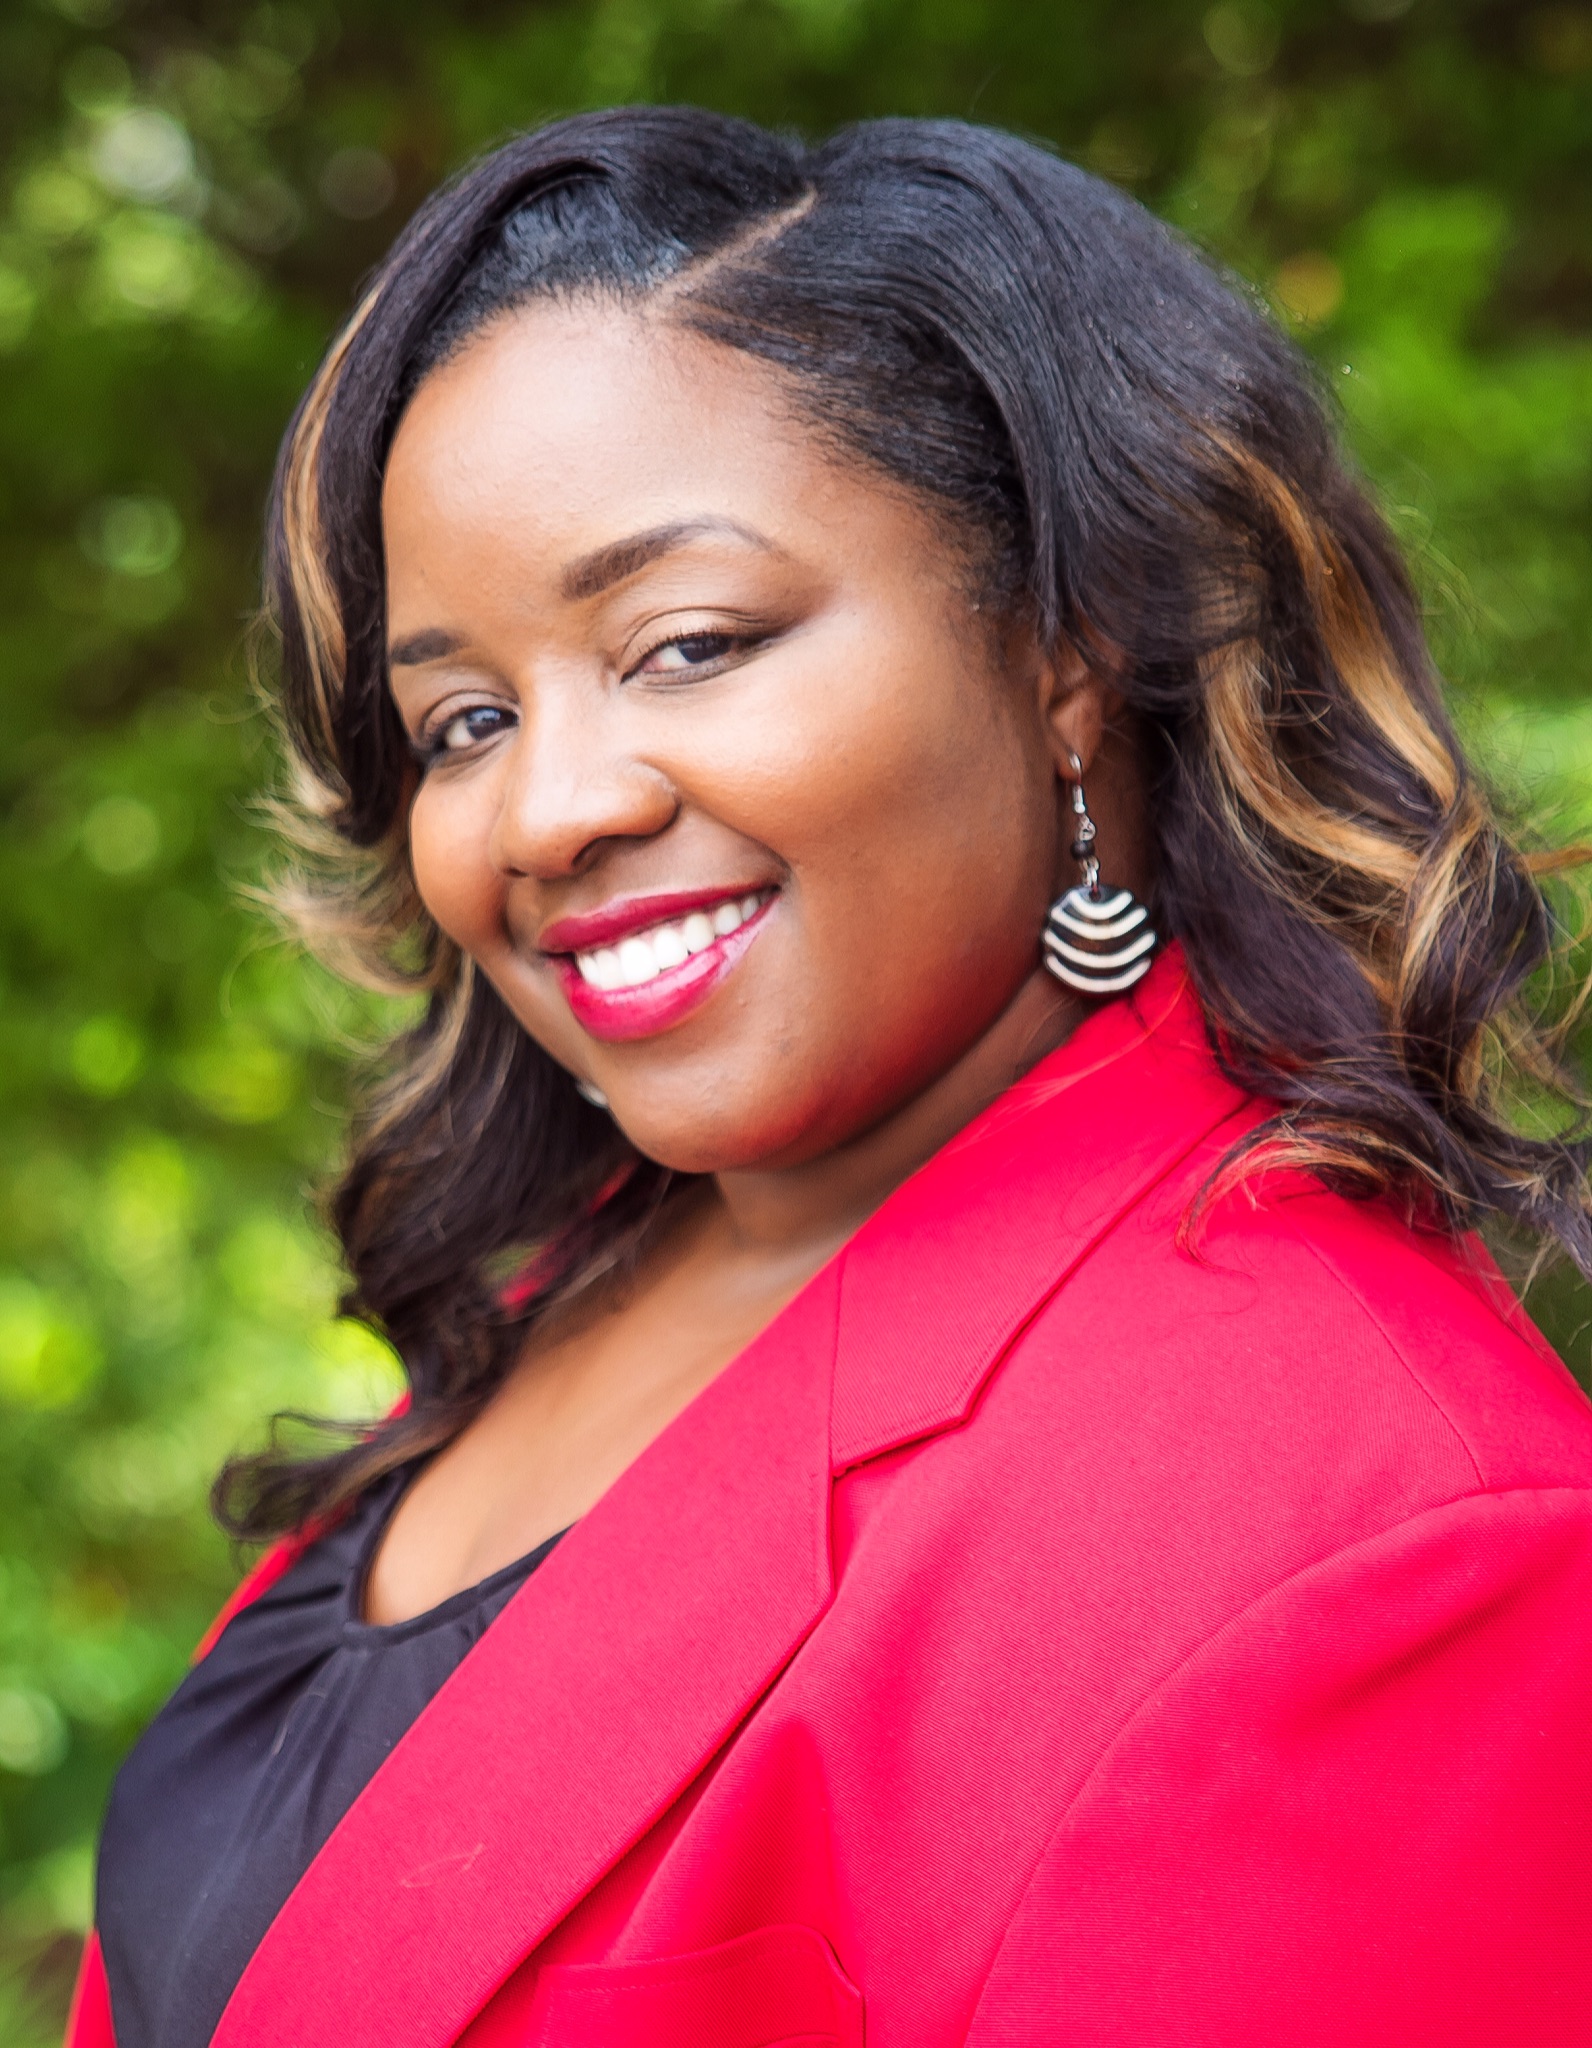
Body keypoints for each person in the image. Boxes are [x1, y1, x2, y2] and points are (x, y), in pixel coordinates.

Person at [69, 107, 1592, 2048]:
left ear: (1062, 648)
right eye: (461, 719)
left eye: (687, 643)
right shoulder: (577, 1279)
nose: (546, 809)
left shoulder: (1375, 1542)